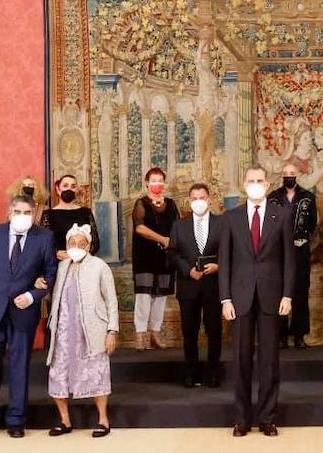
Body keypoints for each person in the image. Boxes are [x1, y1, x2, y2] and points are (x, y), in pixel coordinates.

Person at [0, 195, 58, 439]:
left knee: (19, 368)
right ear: (9, 212)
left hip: (23, 313)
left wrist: (32, 295)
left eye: (27, 212)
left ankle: (16, 421)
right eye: (18, 211)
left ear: (34, 213)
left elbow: (50, 274)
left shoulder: (44, 237)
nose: (22, 216)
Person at [219, 164, 295, 437]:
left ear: (267, 183)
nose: (255, 184)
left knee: (269, 361)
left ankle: (267, 417)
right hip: (239, 298)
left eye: (260, 180)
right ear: (244, 183)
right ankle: (241, 419)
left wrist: (287, 294)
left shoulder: (282, 215)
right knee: (240, 360)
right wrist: (225, 299)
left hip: (272, 297)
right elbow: (224, 262)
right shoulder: (231, 217)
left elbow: (289, 260)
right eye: (251, 180)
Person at [46, 224, 120, 438]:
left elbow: (111, 300)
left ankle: (103, 420)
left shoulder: (99, 266)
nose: (76, 246)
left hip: (92, 330)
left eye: (81, 243)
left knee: (97, 371)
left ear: (88, 245)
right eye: (72, 243)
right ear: (66, 245)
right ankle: (64, 420)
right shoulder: (62, 267)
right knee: (58, 373)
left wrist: (112, 331)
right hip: (63, 331)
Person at [167, 182, 223, 387]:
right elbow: (172, 253)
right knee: (189, 333)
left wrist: (218, 266)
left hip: (214, 286)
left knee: (214, 332)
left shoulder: (222, 223)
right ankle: (191, 373)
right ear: (189, 201)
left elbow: (229, 251)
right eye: (194, 198)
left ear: (209, 199)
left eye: (202, 197)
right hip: (188, 287)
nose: (199, 201)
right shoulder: (179, 225)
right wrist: (188, 270)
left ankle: (213, 373)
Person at [131, 167, 178, 350]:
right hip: (145, 256)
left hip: (165, 257)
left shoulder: (172, 204)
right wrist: (163, 239)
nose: (157, 184)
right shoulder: (141, 204)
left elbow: (178, 227)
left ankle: (155, 334)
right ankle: (140, 335)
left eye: (160, 180)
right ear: (147, 183)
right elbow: (140, 228)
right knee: (143, 296)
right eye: (154, 180)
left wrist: (172, 243)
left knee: (161, 296)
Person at [271, 159, 316, 348]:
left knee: (300, 291)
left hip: (300, 250)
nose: (289, 176)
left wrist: (302, 239)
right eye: (286, 173)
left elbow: (313, 223)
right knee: (278, 292)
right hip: (278, 252)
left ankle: (299, 335)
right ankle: (280, 336)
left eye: (292, 173)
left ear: (297, 174)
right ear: (282, 175)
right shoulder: (272, 197)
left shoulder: (308, 196)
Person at [42, 174, 99, 257]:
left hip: (83, 261)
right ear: (58, 189)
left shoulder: (86, 212)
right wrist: (56, 253)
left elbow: (95, 242)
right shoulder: (48, 214)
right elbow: (44, 242)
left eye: (73, 186)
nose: (69, 189)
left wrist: (82, 255)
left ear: (76, 190)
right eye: (65, 186)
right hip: (58, 262)